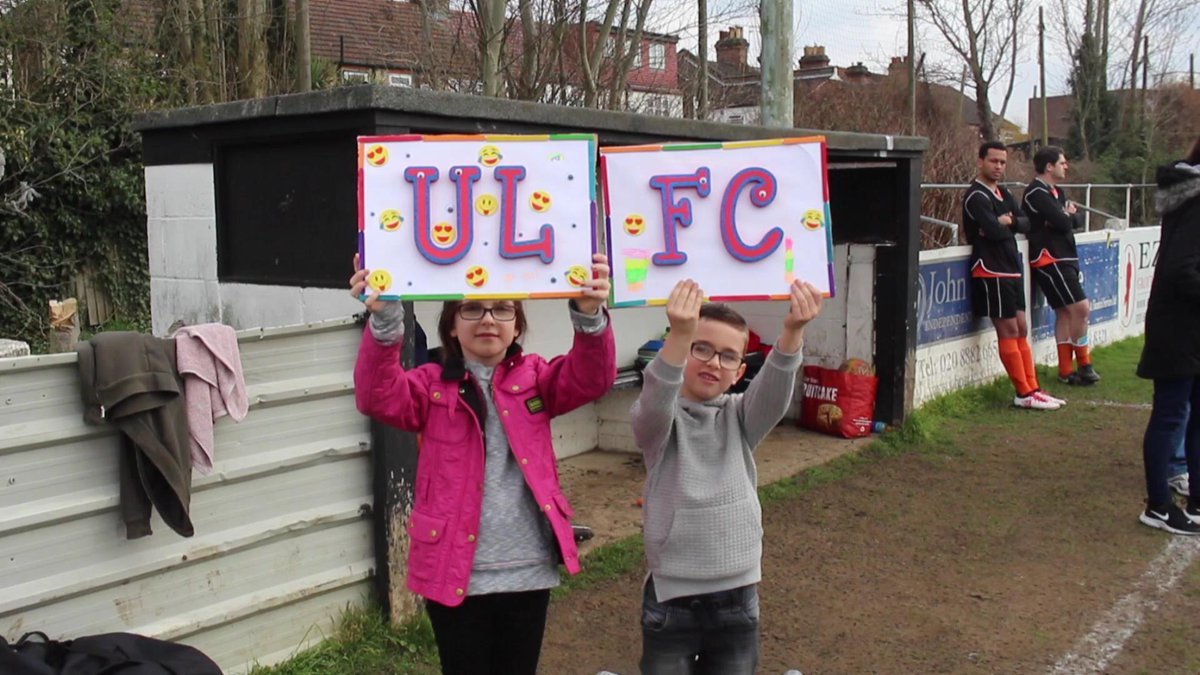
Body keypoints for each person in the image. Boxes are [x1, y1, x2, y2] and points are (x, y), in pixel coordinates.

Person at [350, 253, 617, 673]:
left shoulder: (537, 377)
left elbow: (591, 378)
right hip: (453, 570)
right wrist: (385, 321)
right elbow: (377, 396)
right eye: (472, 309)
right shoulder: (430, 385)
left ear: (517, 326)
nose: (488, 319)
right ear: (451, 327)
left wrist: (589, 316)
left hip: (528, 569)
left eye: (502, 309)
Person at [630, 278, 824, 674]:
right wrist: (679, 334)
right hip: (671, 599)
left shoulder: (742, 417)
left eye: (728, 356)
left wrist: (793, 331)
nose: (714, 362)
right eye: (700, 348)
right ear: (681, 351)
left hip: (738, 597)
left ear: (739, 372)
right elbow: (655, 401)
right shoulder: (659, 425)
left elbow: (775, 391)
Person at [962, 141, 1064, 410]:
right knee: (1007, 329)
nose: (998, 166)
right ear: (980, 161)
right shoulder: (976, 196)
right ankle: (1023, 392)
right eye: (993, 161)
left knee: (1021, 327)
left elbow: (1027, 223)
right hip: (990, 268)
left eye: (1002, 162)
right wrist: (1006, 224)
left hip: (1011, 266)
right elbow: (993, 231)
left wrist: (1010, 221)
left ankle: (1033, 388)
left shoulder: (1004, 192)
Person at [1136, 137, 1200, 534]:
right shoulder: (1194, 200)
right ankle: (1158, 506)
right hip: (1177, 329)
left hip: (1190, 327)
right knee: (1171, 414)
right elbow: (1180, 269)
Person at [1022, 146, 1100, 386]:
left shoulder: (1057, 192)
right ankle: (1085, 365)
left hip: (1066, 255)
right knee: (1081, 308)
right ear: (1049, 166)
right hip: (1050, 258)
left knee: (1066, 312)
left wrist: (1067, 217)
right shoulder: (1035, 193)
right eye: (1062, 163)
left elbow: (1074, 219)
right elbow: (1063, 222)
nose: (1066, 167)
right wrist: (1065, 217)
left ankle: (1066, 370)